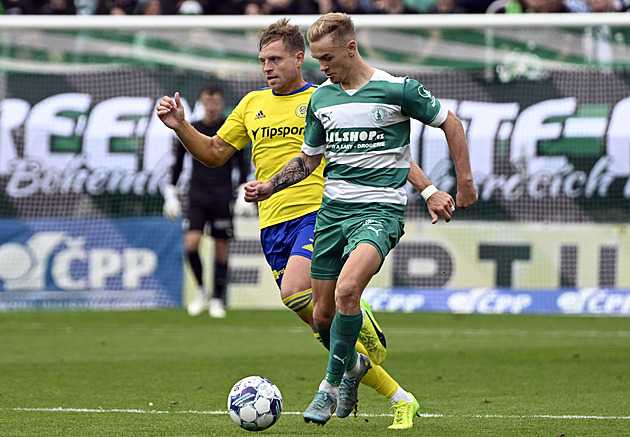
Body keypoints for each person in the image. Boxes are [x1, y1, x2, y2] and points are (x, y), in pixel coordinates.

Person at [157, 18, 456, 430]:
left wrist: (426, 190)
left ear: (300, 58)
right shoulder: (250, 105)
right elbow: (212, 153)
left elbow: (389, 153)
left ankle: (358, 314)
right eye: (262, 60)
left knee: (296, 291)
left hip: (324, 213)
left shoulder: (326, 97)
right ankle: (396, 395)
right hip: (272, 226)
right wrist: (181, 127)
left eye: (276, 59)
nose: (267, 67)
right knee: (323, 326)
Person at [244, 12, 478, 427]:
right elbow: (308, 160)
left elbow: (451, 123)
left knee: (347, 291)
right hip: (332, 214)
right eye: (316, 58)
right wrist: (270, 186)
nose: (321, 67)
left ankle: (328, 388)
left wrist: (461, 185)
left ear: (351, 48)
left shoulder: (396, 89)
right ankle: (352, 371)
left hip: (379, 211)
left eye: (327, 57)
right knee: (321, 315)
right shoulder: (322, 99)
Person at [162, 84, 248, 318]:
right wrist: (170, 192)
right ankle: (201, 289)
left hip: (222, 196)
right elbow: (178, 163)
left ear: (221, 103)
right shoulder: (192, 128)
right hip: (197, 195)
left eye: (216, 101)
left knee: (221, 248)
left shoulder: (229, 127)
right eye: (207, 101)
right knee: (191, 244)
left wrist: (242, 192)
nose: (211, 105)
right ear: (201, 102)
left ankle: (218, 298)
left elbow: (242, 164)